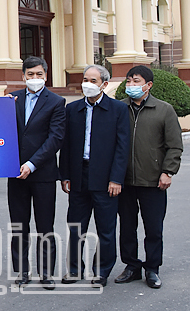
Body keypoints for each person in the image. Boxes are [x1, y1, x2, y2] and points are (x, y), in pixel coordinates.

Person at [60, 64, 130, 287]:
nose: (87, 84)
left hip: (105, 178)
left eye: (93, 81)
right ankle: (74, 269)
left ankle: (101, 271)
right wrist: (65, 175)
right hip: (78, 176)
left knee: (106, 229)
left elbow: (122, 148)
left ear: (104, 84)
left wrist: (116, 178)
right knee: (75, 227)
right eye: (85, 80)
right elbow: (66, 145)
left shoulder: (118, 110)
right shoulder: (72, 109)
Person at [115, 65, 183, 289]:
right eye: (128, 81)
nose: (131, 85)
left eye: (136, 81)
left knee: (153, 228)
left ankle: (152, 268)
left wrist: (168, 171)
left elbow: (174, 146)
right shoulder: (119, 108)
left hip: (154, 181)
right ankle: (131, 266)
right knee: (127, 227)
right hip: (124, 181)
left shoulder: (164, 110)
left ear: (148, 85)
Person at [8, 56, 65, 289]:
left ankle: (46, 273)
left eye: (38, 74)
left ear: (46, 76)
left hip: (42, 174)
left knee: (45, 226)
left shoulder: (57, 102)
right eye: (30, 74)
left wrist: (32, 164)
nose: (34, 78)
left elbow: (55, 138)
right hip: (15, 173)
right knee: (19, 225)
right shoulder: (12, 100)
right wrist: (1, 109)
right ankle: (22, 271)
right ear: (23, 76)